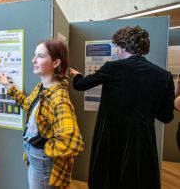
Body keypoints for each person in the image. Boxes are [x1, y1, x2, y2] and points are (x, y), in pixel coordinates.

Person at [70, 26, 174, 189]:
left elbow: (81, 85)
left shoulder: (112, 68)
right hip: (142, 140)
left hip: (112, 137)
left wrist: (76, 74)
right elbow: (166, 117)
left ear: (122, 47)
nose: (115, 50)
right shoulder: (164, 75)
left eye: (116, 46)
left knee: (109, 179)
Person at [0, 39, 84, 189]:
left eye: (41, 56)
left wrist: (44, 148)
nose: (33, 60)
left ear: (55, 63)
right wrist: (7, 84)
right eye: (35, 55)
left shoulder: (58, 99)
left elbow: (73, 143)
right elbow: (27, 104)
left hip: (43, 162)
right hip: (34, 157)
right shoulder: (42, 88)